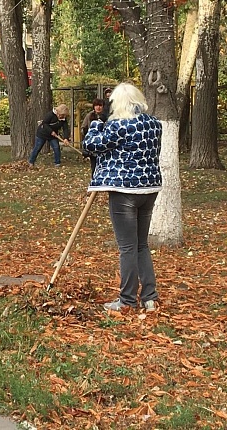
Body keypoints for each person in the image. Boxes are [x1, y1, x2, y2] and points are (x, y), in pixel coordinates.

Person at [83, 83, 162, 313]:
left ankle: (127, 300)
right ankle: (150, 297)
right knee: (141, 245)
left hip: (124, 191)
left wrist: (96, 125)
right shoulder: (154, 124)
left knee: (127, 248)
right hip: (149, 188)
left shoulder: (118, 125)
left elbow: (91, 145)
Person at [81, 98, 106, 176]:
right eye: (96, 105)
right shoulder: (89, 116)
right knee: (94, 166)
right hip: (93, 145)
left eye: (100, 105)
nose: (98, 107)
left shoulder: (106, 116)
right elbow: (83, 128)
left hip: (104, 144)